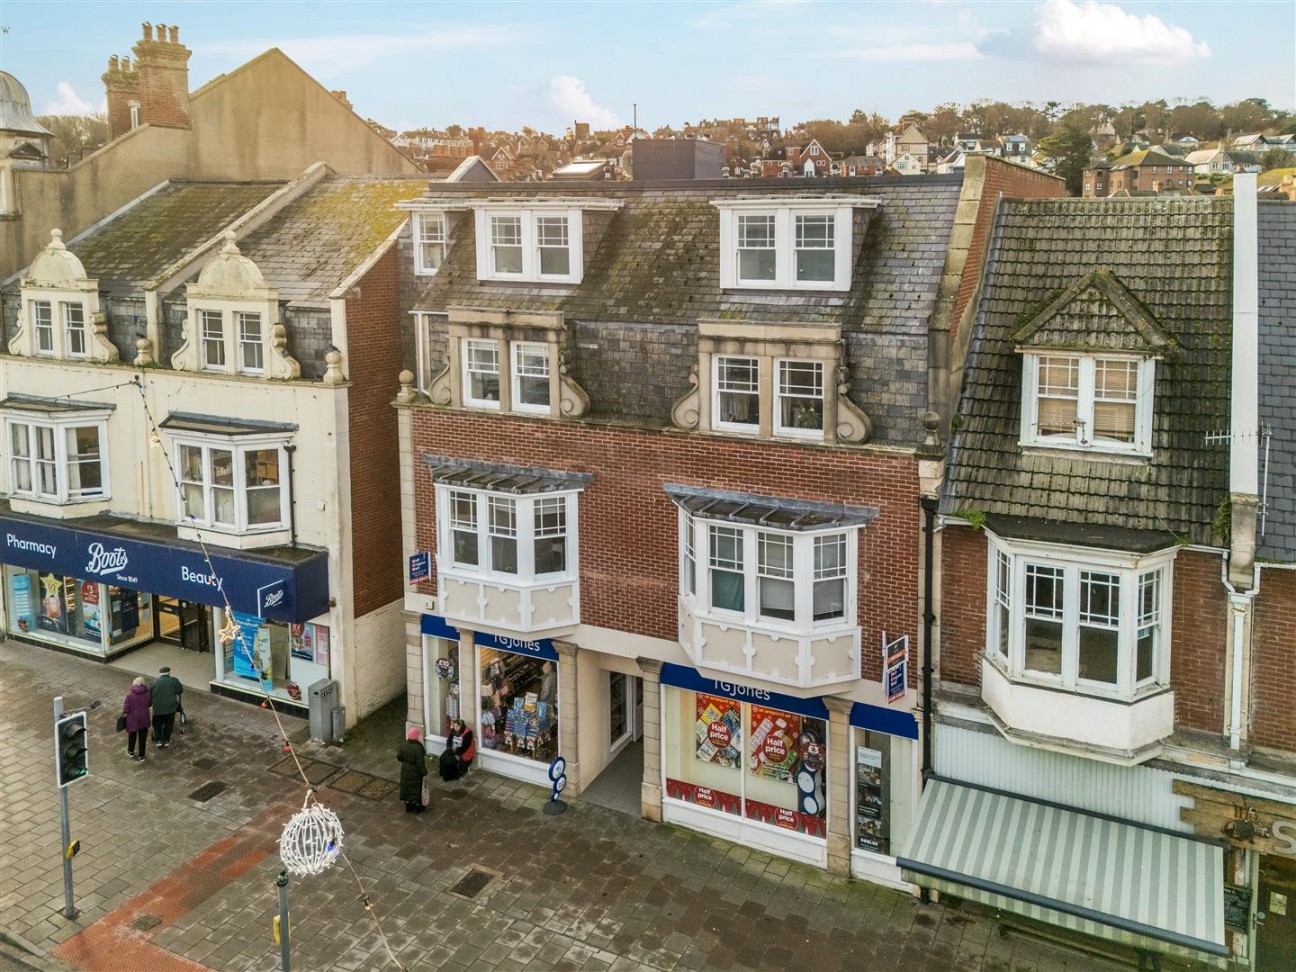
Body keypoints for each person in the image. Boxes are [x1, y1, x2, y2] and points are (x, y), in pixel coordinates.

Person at [396, 727, 428, 814]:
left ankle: (408, 807)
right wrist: (424, 773)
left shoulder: (403, 744)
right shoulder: (418, 748)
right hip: (415, 772)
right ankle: (417, 808)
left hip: (405, 770)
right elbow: (420, 763)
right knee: (415, 789)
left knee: (407, 788)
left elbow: (399, 757)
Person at [151, 666, 184, 748]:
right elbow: (180, 690)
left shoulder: (154, 682)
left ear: (160, 674)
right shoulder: (174, 680)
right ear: (169, 673)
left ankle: (158, 739)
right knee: (169, 724)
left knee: (157, 724)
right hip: (170, 707)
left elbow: (150, 693)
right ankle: (166, 739)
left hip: (158, 707)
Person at [123, 676, 152, 761]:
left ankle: (130, 751)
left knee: (132, 735)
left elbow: (126, 709)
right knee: (143, 738)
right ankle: (142, 755)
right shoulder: (147, 693)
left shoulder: (130, 696)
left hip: (133, 719)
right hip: (144, 718)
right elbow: (150, 703)